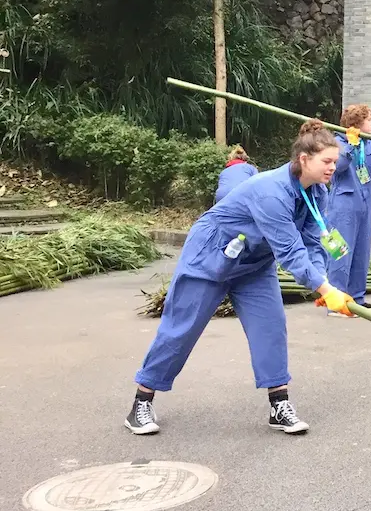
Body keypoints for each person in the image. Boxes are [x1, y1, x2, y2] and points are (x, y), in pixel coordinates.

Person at [124, 120, 354, 436]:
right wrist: (325, 289)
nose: (333, 167)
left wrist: (323, 281)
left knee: (271, 327)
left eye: (334, 160)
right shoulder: (271, 192)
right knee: (182, 328)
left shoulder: (318, 193)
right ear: (304, 159)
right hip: (211, 258)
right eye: (327, 161)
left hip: (254, 264)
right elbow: (289, 251)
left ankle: (279, 404)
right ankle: (142, 401)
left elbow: (313, 242)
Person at [328, 104, 371, 311]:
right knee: (341, 253)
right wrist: (350, 145)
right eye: (369, 119)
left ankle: (357, 298)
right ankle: (337, 303)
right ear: (357, 123)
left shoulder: (369, 144)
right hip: (343, 205)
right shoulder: (337, 142)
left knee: (361, 253)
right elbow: (337, 167)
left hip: (365, 203)